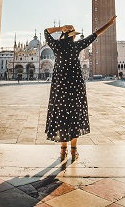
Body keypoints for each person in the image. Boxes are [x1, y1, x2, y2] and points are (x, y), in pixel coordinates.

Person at [44, 15, 116, 161]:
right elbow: (95, 34)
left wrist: (59, 28)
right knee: (74, 116)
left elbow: (46, 31)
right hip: (75, 85)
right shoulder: (76, 45)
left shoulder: (56, 46)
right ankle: (73, 151)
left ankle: (63, 151)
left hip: (60, 85)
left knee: (62, 115)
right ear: (72, 36)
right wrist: (109, 23)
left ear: (64, 34)